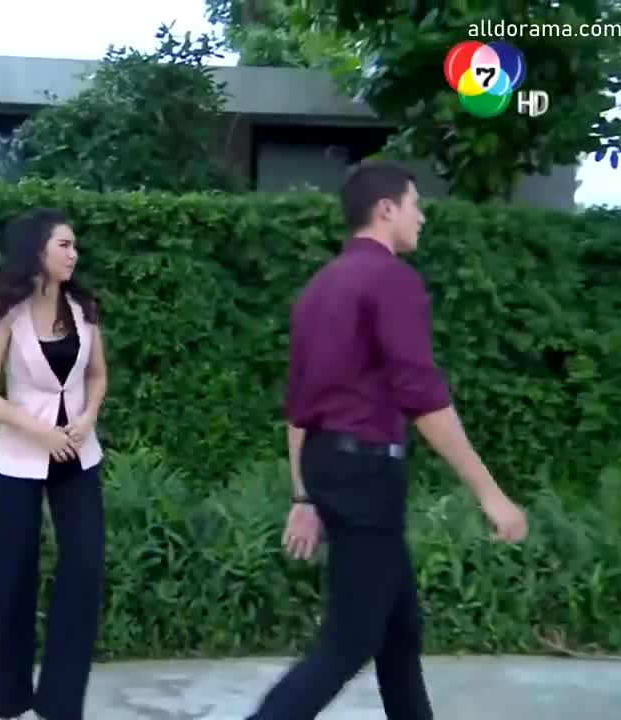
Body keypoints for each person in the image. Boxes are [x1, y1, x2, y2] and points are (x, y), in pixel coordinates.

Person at [244, 160, 529, 720]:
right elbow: (423, 396)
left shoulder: (319, 288)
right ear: (385, 209)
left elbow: (299, 407)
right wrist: (490, 493)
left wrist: (304, 495)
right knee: (350, 640)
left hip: (331, 466)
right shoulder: (391, 280)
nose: (421, 217)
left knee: (399, 635)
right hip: (366, 473)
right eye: (415, 205)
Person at [0, 208, 108, 720]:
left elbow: (97, 376)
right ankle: (9, 698)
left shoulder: (84, 308)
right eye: (64, 245)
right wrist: (37, 430)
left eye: (74, 245)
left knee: (85, 567)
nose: (74, 254)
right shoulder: (9, 316)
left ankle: (61, 701)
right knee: (13, 577)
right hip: (20, 460)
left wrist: (88, 417)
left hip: (78, 456)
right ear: (37, 251)